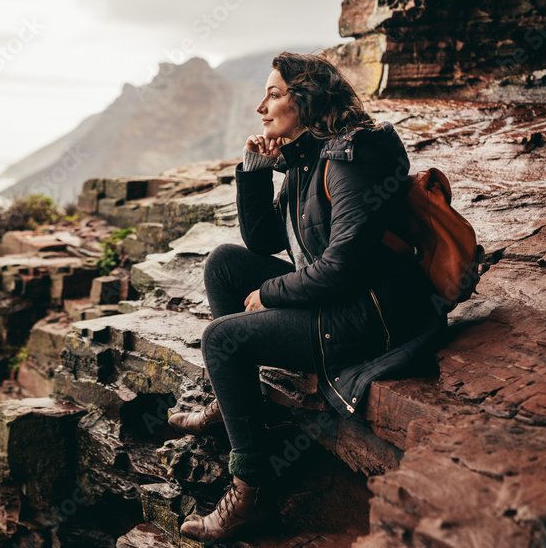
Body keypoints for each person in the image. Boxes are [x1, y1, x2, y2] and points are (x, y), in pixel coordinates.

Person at [172, 52, 448, 542]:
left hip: (365, 314)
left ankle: (251, 492)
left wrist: (269, 293)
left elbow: (344, 267)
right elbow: (262, 242)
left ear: (307, 99)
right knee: (223, 262)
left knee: (222, 340)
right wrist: (255, 171)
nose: (261, 106)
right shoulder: (307, 156)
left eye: (274, 94)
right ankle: (234, 403)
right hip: (335, 298)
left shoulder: (350, 157)